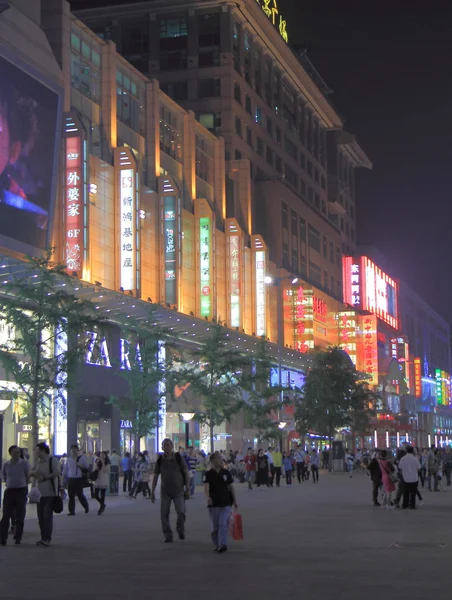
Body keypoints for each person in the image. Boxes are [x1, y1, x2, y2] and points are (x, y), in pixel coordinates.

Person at [151, 439, 190, 543]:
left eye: (168, 445)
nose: (166, 448)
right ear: (162, 447)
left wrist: (188, 489)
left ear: (172, 446)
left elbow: (186, 473)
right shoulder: (160, 460)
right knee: (164, 515)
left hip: (179, 491)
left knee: (181, 512)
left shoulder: (178, 457)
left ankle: (180, 529)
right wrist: (152, 491)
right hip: (165, 492)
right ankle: (168, 535)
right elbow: (155, 476)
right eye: (164, 446)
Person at [204, 451, 238, 554]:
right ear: (212, 461)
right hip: (214, 504)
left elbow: (231, 487)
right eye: (218, 459)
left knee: (223, 524)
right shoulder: (208, 474)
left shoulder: (226, 473)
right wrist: (208, 497)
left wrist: (235, 500)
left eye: (220, 459)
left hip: (226, 502)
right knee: (216, 527)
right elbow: (206, 487)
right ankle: (217, 543)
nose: (220, 460)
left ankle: (222, 544)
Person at [29, 443, 60, 547]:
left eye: (37, 450)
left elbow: (57, 472)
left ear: (43, 451)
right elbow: (33, 473)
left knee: (47, 517)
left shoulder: (52, 460)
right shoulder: (38, 462)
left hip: (50, 493)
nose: (36, 452)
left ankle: (47, 538)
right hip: (39, 494)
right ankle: (43, 537)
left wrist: (45, 477)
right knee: (41, 517)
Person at [0, 445, 29, 545]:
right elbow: (3, 475)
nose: (17, 454)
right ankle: (3, 537)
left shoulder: (24, 463)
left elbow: (27, 475)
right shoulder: (6, 464)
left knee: (20, 515)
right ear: (10, 453)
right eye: (15, 452)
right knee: (6, 515)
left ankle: (18, 537)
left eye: (18, 452)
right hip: (10, 491)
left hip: (21, 491)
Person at [63, 444, 90, 516]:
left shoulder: (82, 458)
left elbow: (87, 467)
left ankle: (86, 506)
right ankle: (71, 511)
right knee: (71, 495)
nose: (73, 451)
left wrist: (80, 465)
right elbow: (65, 470)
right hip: (71, 479)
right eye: (72, 450)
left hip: (78, 478)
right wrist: (63, 479)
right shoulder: (69, 459)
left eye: (75, 450)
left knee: (79, 494)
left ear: (77, 451)